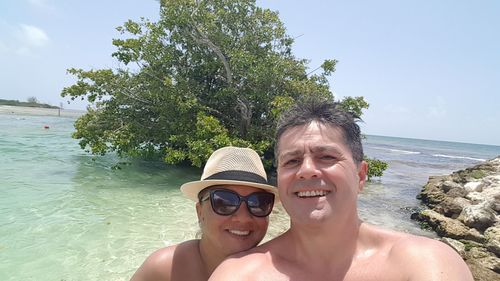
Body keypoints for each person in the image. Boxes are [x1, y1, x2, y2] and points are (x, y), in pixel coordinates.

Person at [209, 99, 474, 281]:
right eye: (292, 161)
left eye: (326, 157)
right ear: (279, 181)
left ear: (360, 175)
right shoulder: (239, 274)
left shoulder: (424, 264)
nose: (306, 170)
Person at [130, 146, 278, 281]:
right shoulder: (164, 268)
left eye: (258, 203)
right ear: (199, 211)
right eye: (224, 202)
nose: (243, 217)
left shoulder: (279, 273)